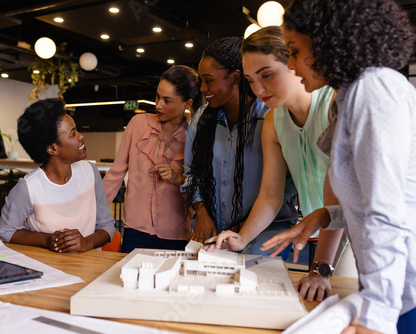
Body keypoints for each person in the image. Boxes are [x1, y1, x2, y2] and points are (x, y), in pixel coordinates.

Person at [261, 1, 416, 334]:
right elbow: (376, 194)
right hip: (397, 289)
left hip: (405, 290)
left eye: (294, 51)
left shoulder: (374, 92)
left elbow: (387, 213)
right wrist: (327, 215)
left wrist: (374, 319)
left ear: (329, 43)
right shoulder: (354, 94)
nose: (292, 64)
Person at [204, 26, 341, 303]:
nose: (259, 89)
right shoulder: (273, 121)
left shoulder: (333, 104)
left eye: (267, 75)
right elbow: (270, 196)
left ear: (293, 63)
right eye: (251, 80)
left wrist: (321, 269)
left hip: (354, 228)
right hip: (323, 226)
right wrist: (241, 238)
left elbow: (337, 196)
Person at [183, 37, 298, 256]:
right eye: (202, 81)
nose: (203, 88)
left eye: (209, 80)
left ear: (235, 77)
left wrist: (240, 231)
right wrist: (202, 212)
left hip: (265, 231)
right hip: (213, 228)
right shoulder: (201, 120)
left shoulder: (271, 118)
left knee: (248, 282)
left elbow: (280, 191)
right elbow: (191, 173)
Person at [103, 65, 202, 253]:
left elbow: (200, 189)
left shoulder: (194, 136)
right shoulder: (138, 124)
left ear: (187, 103)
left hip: (176, 235)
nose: (158, 105)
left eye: (167, 100)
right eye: (157, 96)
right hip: (135, 230)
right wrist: (91, 213)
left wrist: (177, 179)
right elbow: (116, 174)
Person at [0, 98, 115, 252]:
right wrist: (46, 240)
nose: (81, 136)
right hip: (47, 269)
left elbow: (107, 226)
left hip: (90, 265)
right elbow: (7, 231)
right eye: (73, 134)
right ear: (52, 149)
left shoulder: (90, 172)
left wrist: (86, 243)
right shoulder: (28, 188)